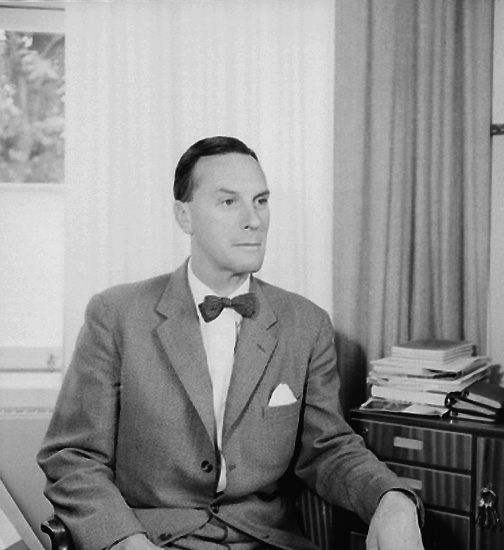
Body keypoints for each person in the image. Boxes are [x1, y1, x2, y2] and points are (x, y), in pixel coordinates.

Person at [38, 136, 425, 550]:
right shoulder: (116, 315)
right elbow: (73, 457)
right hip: (154, 540)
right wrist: (126, 543)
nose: (253, 220)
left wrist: (392, 498)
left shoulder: (306, 324)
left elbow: (328, 449)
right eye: (228, 202)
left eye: (260, 201)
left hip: (265, 541)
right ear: (184, 216)